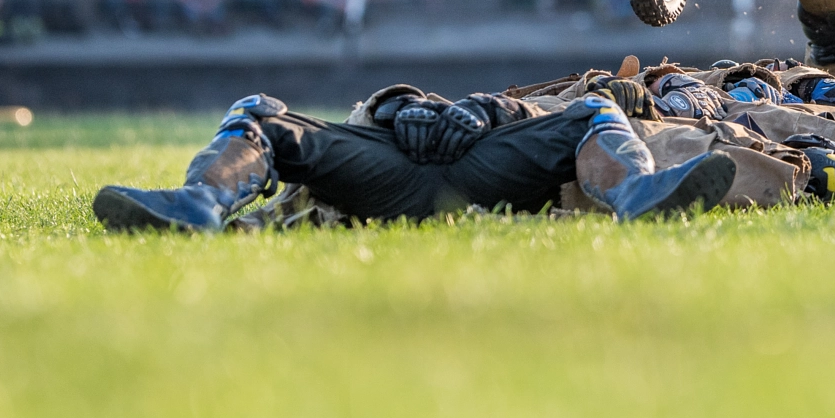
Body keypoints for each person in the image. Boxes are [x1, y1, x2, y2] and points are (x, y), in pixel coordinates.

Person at [93, 90, 744, 233]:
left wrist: (489, 109)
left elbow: (557, 111)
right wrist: (401, 108)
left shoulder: (546, 95)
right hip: (387, 159)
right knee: (258, 109)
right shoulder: (380, 111)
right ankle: (198, 202)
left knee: (599, 106)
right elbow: (360, 111)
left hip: (486, 159)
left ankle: (638, 192)